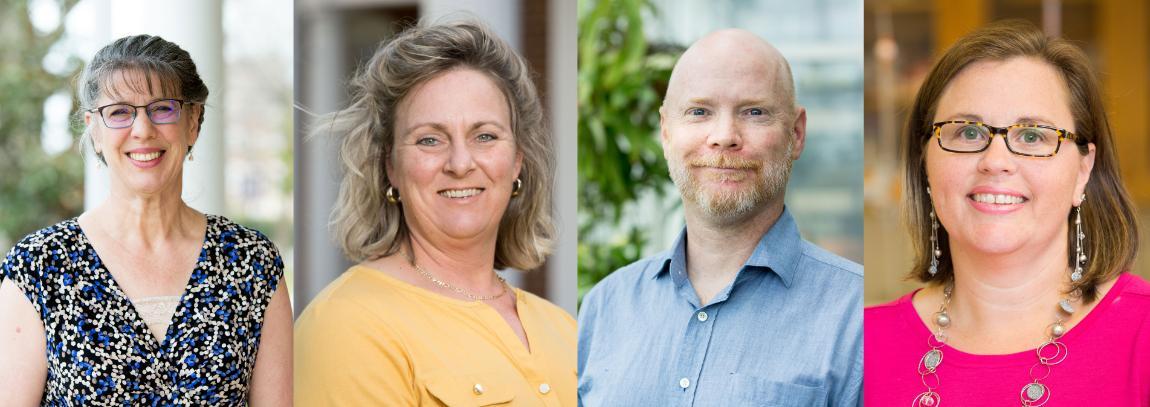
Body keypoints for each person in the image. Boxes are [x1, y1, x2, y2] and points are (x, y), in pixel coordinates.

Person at [864, 20, 1150, 406]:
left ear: (1084, 169)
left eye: (1032, 136)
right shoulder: (856, 345)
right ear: (924, 162)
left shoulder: (1141, 334)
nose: (995, 161)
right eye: (967, 132)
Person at [293, 20, 574, 406]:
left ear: (517, 162)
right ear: (390, 166)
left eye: (485, 136)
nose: (460, 163)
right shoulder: (347, 324)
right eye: (430, 140)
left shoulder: (564, 328)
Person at [0, 35, 292, 405]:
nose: (142, 130)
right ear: (94, 130)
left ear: (194, 122)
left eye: (163, 109)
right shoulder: (39, 268)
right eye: (120, 112)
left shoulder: (253, 263)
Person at [578, 29, 863, 406]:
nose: (724, 136)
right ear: (666, 133)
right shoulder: (604, 307)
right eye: (699, 112)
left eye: (754, 112)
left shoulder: (857, 317)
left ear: (795, 133)